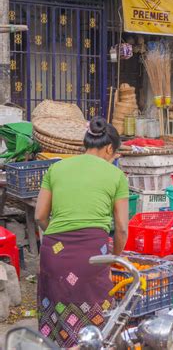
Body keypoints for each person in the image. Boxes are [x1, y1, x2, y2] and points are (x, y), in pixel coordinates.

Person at [35, 116, 129, 348]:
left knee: (55, 317)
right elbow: (122, 228)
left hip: (53, 253)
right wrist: (114, 257)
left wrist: (58, 240)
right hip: (92, 255)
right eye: (114, 154)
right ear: (109, 148)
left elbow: (39, 216)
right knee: (95, 325)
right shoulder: (116, 175)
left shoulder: (56, 167)